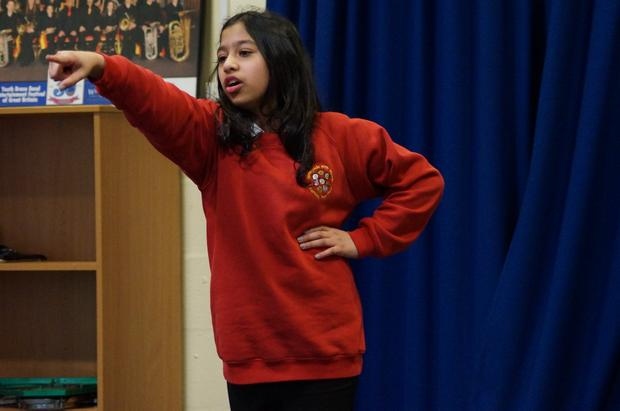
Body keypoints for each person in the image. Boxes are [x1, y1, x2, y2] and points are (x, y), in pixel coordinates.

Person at [47, 9, 444, 411]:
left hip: (325, 354)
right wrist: (101, 66)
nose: (229, 65)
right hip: (248, 354)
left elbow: (422, 182)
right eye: (221, 57)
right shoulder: (211, 137)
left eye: (244, 52)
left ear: (280, 59)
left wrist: (363, 239)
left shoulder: (341, 135)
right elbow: (156, 99)